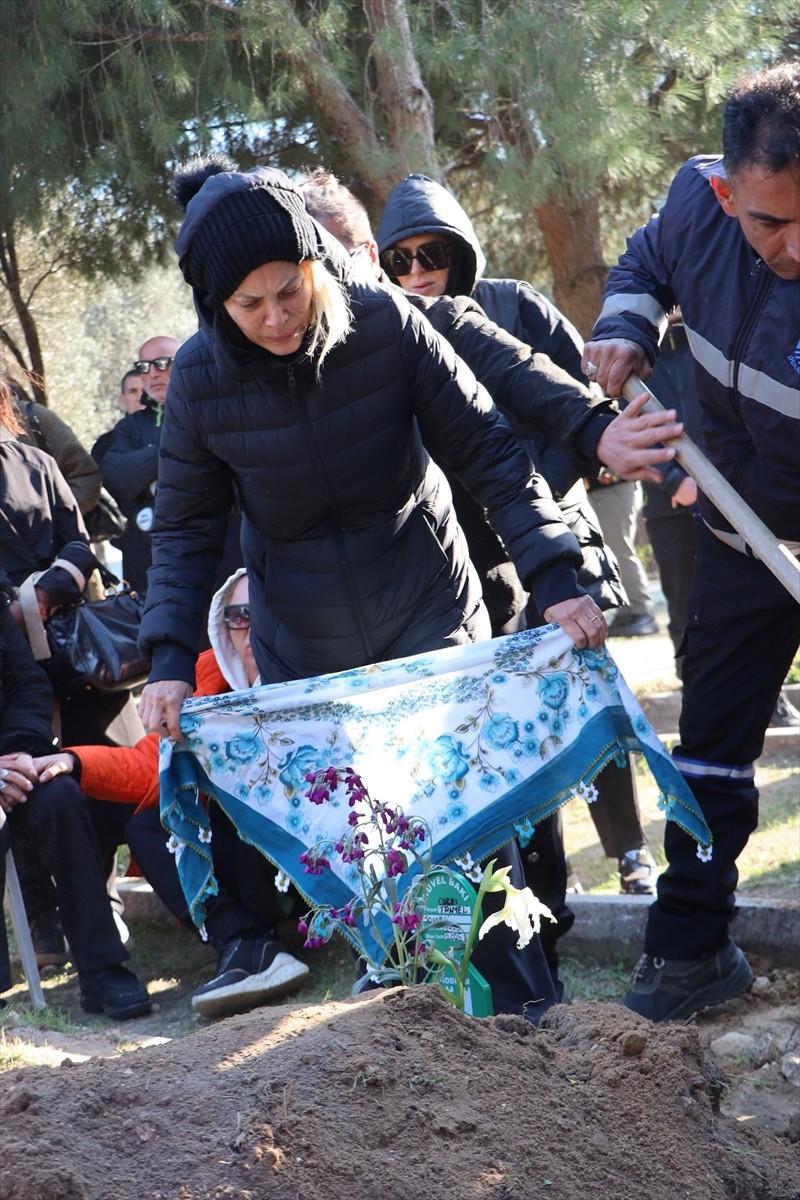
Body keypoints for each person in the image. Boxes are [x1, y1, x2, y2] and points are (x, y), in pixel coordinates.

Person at [137, 153, 616, 1022]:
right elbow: (182, 531)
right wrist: (169, 657)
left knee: (467, 825)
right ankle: (410, 1038)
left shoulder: (388, 324)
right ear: (216, 308)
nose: (278, 317)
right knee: (366, 847)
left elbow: (490, 453)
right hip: (307, 645)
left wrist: (555, 575)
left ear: (318, 265)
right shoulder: (203, 382)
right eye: (251, 306)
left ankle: (524, 1026)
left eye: (291, 290)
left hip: (428, 608)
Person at [583, 62, 800, 1023]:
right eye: (771, 223)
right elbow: (641, 266)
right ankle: (689, 952)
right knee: (710, 753)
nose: (797, 247)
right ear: (725, 192)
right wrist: (626, 328)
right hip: (738, 540)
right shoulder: (691, 204)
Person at [34, 569, 310, 1019]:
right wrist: (73, 761)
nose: (250, 628)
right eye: (238, 616)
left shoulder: (318, 672)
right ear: (224, 624)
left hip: (310, 853)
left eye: (261, 612)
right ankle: (244, 944)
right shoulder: (207, 674)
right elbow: (150, 765)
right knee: (150, 822)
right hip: (245, 856)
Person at [0, 572, 151, 1019]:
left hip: (10, 762)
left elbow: (26, 684)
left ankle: (101, 969)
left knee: (59, 795)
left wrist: (21, 754)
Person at [101, 337, 180, 593]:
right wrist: (164, 453)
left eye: (162, 363)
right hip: (147, 560)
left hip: (216, 553)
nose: (153, 373)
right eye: (144, 366)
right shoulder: (131, 427)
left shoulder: (213, 410)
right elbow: (115, 475)